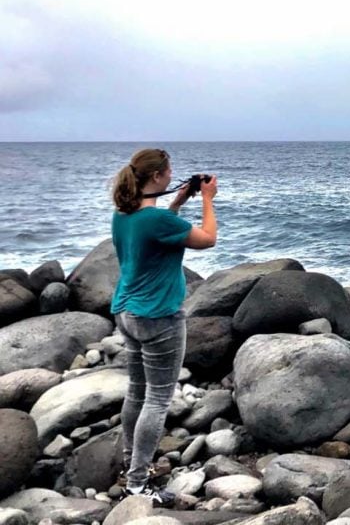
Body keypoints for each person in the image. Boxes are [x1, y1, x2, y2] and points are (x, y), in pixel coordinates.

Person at [110, 148, 218, 503]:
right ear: (157, 177)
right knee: (157, 399)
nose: (173, 176)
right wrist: (206, 198)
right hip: (158, 316)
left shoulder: (124, 215)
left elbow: (159, 229)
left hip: (127, 312)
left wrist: (179, 201)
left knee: (137, 392)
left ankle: (130, 465)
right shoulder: (155, 221)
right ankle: (139, 484)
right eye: (169, 172)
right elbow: (207, 238)